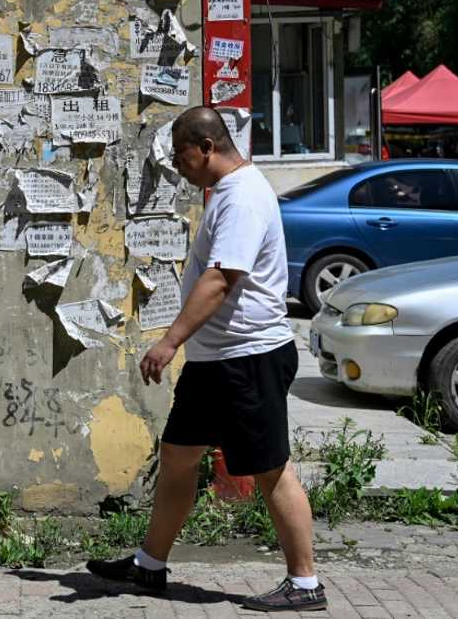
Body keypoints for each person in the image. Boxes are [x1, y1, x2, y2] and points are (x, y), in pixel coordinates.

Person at [87, 106, 325, 613]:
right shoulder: (227, 193)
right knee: (178, 456)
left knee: (269, 469)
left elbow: (221, 280)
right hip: (217, 359)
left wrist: (170, 341)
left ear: (207, 147)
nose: (179, 167)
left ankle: (305, 584)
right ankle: (149, 566)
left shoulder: (242, 198)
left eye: (181, 156)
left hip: (249, 357)